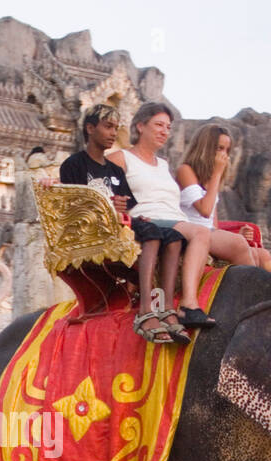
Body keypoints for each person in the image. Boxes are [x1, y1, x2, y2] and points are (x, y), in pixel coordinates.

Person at [60, 104, 187, 345]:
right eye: (107, 127)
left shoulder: (114, 169)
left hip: (120, 224)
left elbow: (128, 204)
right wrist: (109, 205)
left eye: (115, 129)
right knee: (151, 233)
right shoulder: (74, 164)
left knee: (172, 235)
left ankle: (168, 307)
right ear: (90, 128)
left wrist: (120, 205)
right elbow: (72, 203)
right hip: (94, 229)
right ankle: (146, 310)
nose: (112, 134)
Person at [108, 102, 215, 335]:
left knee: (239, 246)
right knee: (201, 233)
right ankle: (188, 304)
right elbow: (99, 189)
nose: (164, 131)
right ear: (140, 126)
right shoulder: (121, 157)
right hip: (149, 220)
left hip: (178, 221)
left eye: (168, 127)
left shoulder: (164, 164)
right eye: (158, 125)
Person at [174, 125, 271, 272]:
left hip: (209, 232)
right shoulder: (186, 170)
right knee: (239, 243)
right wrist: (217, 174)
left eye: (227, 150)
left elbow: (212, 224)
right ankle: (253, 291)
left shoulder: (211, 179)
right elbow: (205, 210)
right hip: (192, 232)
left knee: (262, 255)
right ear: (206, 148)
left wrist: (233, 235)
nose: (224, 156)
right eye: (219, 149)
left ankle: (265, 291)